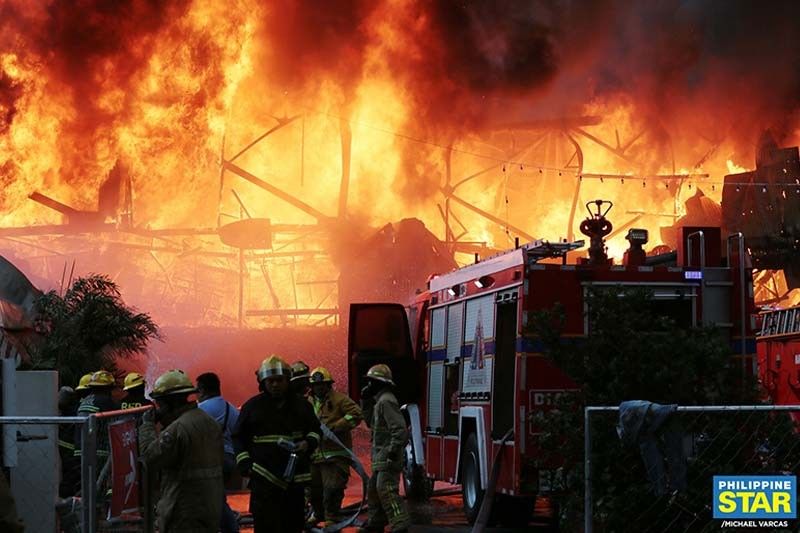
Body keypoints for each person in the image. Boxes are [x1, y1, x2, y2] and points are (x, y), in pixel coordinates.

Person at [232, 355, 321, 533]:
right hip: (263, 478)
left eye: (279, 380)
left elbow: (315, 430)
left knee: (293, 523)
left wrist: (308, 443)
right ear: (262, 382)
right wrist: (246, 464)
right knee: (265, 524)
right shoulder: (252, 407)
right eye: (270, 381)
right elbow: (238, 437)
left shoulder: (302, 406)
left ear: (288, 380)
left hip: (294, 480)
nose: (275, 385)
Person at [139, 369, 223, 532]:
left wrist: (147, 425)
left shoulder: (177, 429)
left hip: (183, 513)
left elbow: (150, 458)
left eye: (160, 404)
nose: (159, 410)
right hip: (210, 508)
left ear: (171, 402)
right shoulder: (209, 422)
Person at [307, 366, 362, 527]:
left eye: (323, 384)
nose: (319, 388)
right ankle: (318, 514)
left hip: (335, 456)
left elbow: (357, 414)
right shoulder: (308, 402)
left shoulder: (340, 400)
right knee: (313, 489)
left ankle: (332, 517)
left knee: (332, 488)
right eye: (316, 385)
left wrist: (336, 426)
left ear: (329, 385)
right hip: (315, 455)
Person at [358, 364, 410, 533]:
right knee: (374, 490)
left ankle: (400, 524)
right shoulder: (379, 401)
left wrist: (393, 453)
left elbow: (400, 430)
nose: (369, 386)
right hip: (381, 458)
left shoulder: (386, 400)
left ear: (381, 383)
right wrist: (365, 402)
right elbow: (370, 423)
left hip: (388, 457)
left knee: (386, 490)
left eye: (372, 382)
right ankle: (376, 523)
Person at [196, 372, 240, 533]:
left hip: (211, 461)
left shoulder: (200, 410)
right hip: (230, 459)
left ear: (201, 390)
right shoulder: (231, 409)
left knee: (213, 500)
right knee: (217, 498)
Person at [74, 370, 119, 461]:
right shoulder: (106, 401)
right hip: (98, 451)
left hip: (80, 449)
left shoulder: (86, 400)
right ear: (108, 388)